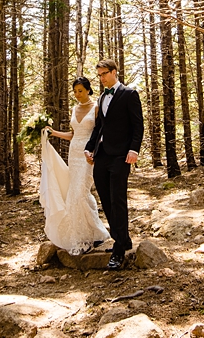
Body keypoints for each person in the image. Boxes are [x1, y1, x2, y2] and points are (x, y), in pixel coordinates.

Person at [39, 76, 110, 256]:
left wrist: (96, 152)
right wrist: (53, 133)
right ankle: (91, 233)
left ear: (88, 90)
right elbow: (73, 134)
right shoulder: (74, 108)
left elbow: (101, 133)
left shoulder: (96, 108)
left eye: (80, 91)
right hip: (74, 153)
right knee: (76, 193)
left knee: (80, 192)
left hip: (89, 154)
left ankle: (94, 232)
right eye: (75, 91)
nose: (77, 94)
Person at [84, 59, 143, 269]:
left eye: (104, 74)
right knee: (106, 199)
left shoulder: (129, 94)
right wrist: (89, 148)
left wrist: (134, 150)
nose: (101, 78)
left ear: (114, 72)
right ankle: (123, 238)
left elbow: (138, 125)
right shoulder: (101, 98)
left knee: (117, 199)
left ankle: (119, 249)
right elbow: (99, 127)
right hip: (102, 155)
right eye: (99, 75)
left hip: (121, 155)